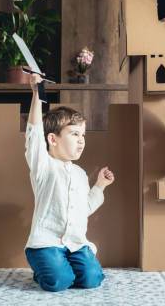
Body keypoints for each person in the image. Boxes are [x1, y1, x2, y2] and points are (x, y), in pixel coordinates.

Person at [24, 73, 115, 292]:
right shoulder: (43, 165)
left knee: (92, 279)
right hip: (47, 243)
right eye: (74, 134)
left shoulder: (80, 174)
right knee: (59, 282)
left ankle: (76, 261)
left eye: (83, 135)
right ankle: (44, 269)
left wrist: (100, 186)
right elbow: (34, 135)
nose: (81, 140)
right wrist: (37, 95)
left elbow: (83, 209)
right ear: (53, 139)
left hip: (75, 243)